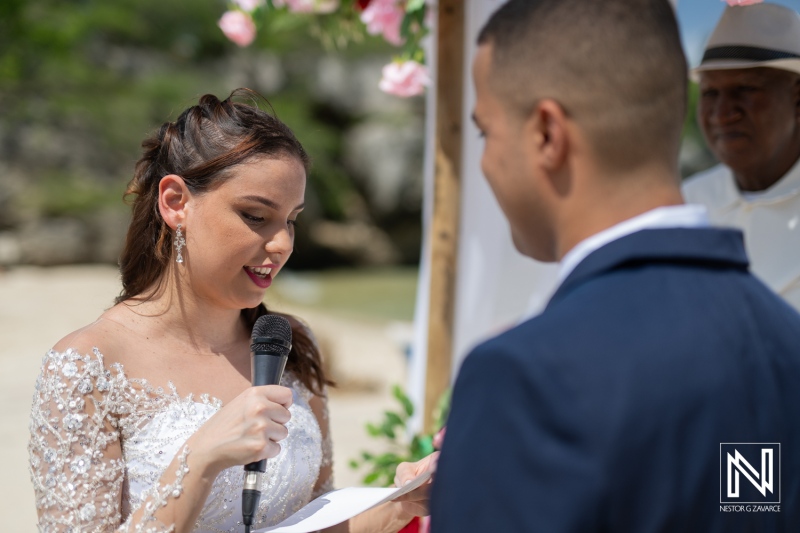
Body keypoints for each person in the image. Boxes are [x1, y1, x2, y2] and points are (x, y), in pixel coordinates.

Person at [430, 1, 800, 532]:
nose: (485, 160)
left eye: (486, 131)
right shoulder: (786, 342)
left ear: (546, 134)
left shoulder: (526, 377)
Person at [27, 90, 430, 533]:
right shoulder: (85, 366)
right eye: (256, 216)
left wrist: (400, 506)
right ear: (176, 202)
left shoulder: (289, 344)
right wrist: (199, 459)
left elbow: (311, 519)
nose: (282, 245)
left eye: (291, 220)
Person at [683, 3, 800, 310]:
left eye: (745, 88)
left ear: (797, 97)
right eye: (710, 93)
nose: (722, 113)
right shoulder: (687, 205)